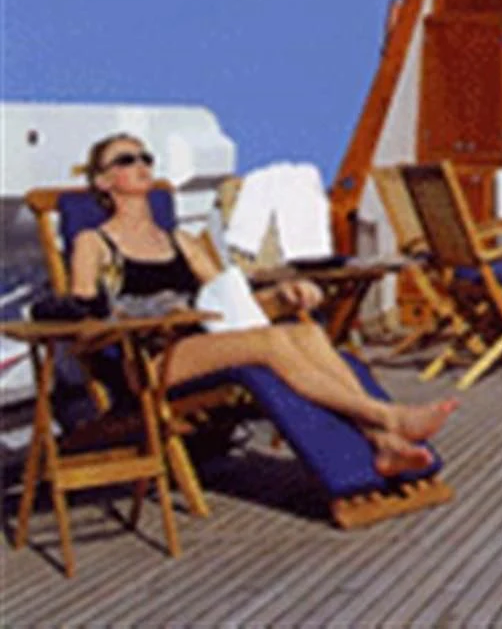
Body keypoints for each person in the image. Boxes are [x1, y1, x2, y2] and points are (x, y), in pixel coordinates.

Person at [69, 133, 457, 477]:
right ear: (103, 181)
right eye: (126, 160)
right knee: (268, 343)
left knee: (305, 332)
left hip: (199, 340)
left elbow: (228, 299)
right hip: (149, 359)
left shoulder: (180, 241)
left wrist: (282, 296)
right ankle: (387, 417)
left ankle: (384, 442)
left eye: (145, 157)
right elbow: (82, 322)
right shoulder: (95, 242)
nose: (141, 165)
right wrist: (144, 321)